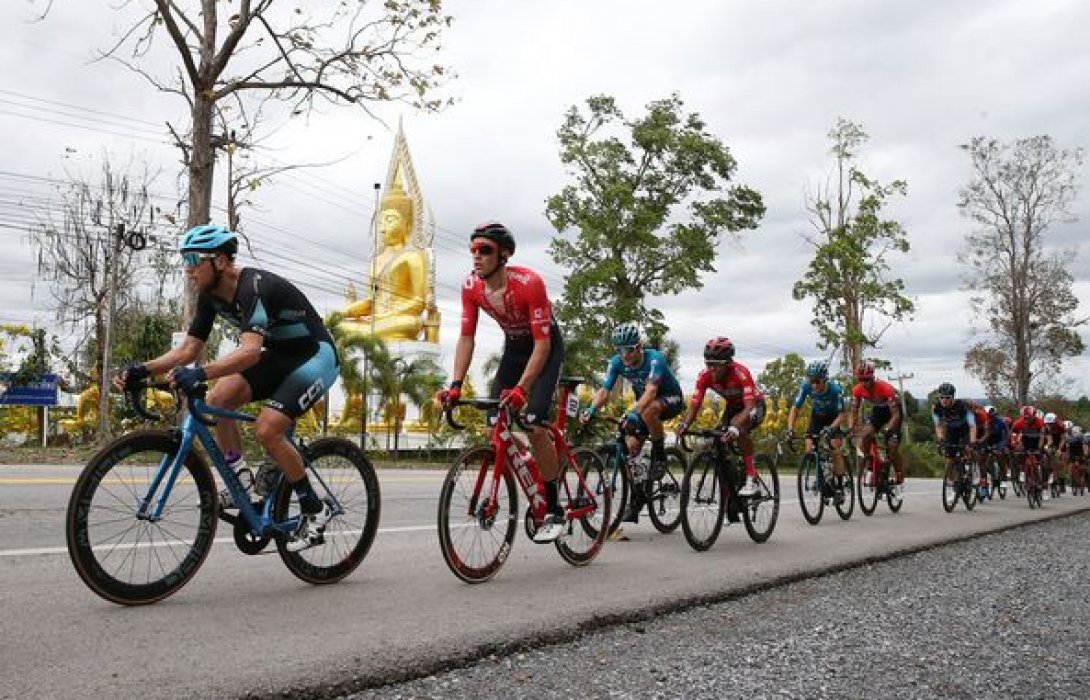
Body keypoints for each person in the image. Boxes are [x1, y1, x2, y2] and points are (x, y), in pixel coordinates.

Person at [114, 224, 340, 552]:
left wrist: (201, 373)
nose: (188, 268)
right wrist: (140, 369)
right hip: (279, 356)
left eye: (193, 259)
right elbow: (187, 349)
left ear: (220, 261)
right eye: (184, 259)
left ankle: (314, 511)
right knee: (219, 398)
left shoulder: (253, 288)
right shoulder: (210, 298)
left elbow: (249, 352)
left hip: (315, 356)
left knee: (267, 429)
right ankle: (243, 483)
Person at [436, 222, 567, 542]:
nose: (477, 257)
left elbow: (542, 345)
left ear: (504, 255)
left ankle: (554, 507)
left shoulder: (528, 283)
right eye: (473, 251)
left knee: (534, 424)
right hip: (514, 350)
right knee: (493, 425)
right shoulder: (471, 286)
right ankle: (533, 465)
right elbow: (467, 338)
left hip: (544, 349)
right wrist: (455, 384)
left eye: (485, 251)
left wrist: (523, 389)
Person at [580, 322, 685, 522]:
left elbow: (651, 391)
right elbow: (604, 391)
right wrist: (591, 408)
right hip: (643, 407)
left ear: (638, 347)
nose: (624, 355)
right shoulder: (617, 362)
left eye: (628, 349)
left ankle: (660, 452)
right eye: (619, 350)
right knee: (629, 449)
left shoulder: (655, 359)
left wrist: (632, 411)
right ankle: (637, 496)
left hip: (670, 400)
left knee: (650, 409)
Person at [338, 178, 431, 341]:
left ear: (408, 225)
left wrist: (389, 314)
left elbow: (419, 302)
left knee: (408, 322)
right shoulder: (376, 261)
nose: (382, 228)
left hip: (400, 320)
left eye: (390, 220)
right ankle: (368, 332)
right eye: (381, 221)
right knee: (339, 325)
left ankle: (369, 332)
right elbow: (370, 301)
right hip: (376, 321)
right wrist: (343, 313)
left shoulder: (413, 257)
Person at [675, 337, 767, 497]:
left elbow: (749, 407)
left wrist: (735, 428)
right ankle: (730, 487)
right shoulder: (704, 376)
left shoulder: (741, 373)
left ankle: (752, 477)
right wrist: (684, 425)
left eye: (715, 365)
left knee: (740, 428)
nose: (711, 369)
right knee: (718, 437)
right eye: (708, 364)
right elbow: (695, 406)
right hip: (732, 407)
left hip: (753, 406)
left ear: (727, 364)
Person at [785, 360, 849, 503]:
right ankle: (822, 476)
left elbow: (843, 414)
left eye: (817, 381)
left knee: (835, 449)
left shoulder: (836, 389)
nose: (813, 385)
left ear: (824, 379)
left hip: (834, 418)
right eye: (811, 381)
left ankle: (839, 487)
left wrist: (832, 428)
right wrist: (790, 428)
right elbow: (795, 408)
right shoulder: (806, 386)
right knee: (809, 450)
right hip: (817, 417)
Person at [849, 361, 905, 485]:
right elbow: (854, 411)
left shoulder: (886, 388)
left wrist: (887, 429)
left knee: (892, 446)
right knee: (865, 436)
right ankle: (872, 464)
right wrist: (851, 429)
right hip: (878, 411)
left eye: (867, 380)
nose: (864, 383)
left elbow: (896, 415)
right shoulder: (857, 390)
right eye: (861, 380)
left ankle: (899, 473)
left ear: (872, 378)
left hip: (893, 413)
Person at [930, 382, 980, 489]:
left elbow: (972, 426)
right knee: (949, 460)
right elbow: (938, 426)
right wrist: (941, 439)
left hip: (966, 429)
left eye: (947, 398)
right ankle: (954, 482)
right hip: (952, 430)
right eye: (942, 397)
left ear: (953, 397)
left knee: (969, 450)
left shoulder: (963, 406)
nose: (944, 400)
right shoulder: (936, 408)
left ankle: (974, 470)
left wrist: (972, 442)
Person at [980, 404, 1012, 488]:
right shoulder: (982, 422)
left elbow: (1007, 432)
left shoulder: (1000, 422)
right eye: (987, 415)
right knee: (982, 458)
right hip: (987, 441)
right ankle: (984, 479)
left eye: (991, 415)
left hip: (999, 441)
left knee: (999, 455)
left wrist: (1005, 443)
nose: (990, 417)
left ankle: (1004, 478)